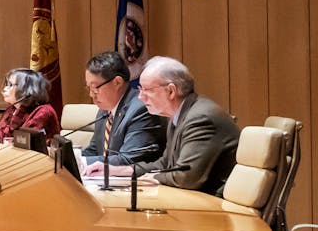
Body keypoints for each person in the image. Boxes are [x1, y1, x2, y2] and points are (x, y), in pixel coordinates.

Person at [104, 56, 239, 195]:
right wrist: (122, 170)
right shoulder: (180, 114)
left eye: (146, 89)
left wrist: (153, 177)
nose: (140, 96)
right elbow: (165, 164)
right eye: (140, 89)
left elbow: (186, 177)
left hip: (217, 204)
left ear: (171, 91)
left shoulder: (200, 118)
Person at [79, 50, 165, 171]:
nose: (91, 94)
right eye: (89, 88)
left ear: (117, 82)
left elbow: (128, 159)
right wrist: (68, 157)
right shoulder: (105, 110)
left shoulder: (141, 109)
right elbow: (94, 150)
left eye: (95, 88)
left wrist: (80, 161)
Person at [0, 67, 61, 143]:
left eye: (10, 85)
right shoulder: (11, 109)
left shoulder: (44, 112)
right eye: (6, 84)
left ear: (26, 89)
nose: (5, 89)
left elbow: (23, 142)